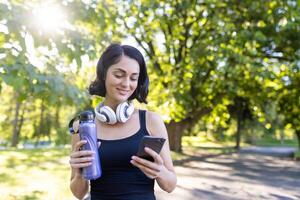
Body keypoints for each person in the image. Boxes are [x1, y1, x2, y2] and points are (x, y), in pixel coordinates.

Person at [69, 43, 177, 200]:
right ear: (103, 74)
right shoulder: (82, 127)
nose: (126, 84)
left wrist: (159, 171)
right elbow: (79, 194)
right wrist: (78, 172)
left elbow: (170, 185)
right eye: (119, 75)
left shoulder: (151, 121)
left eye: (133, 78)